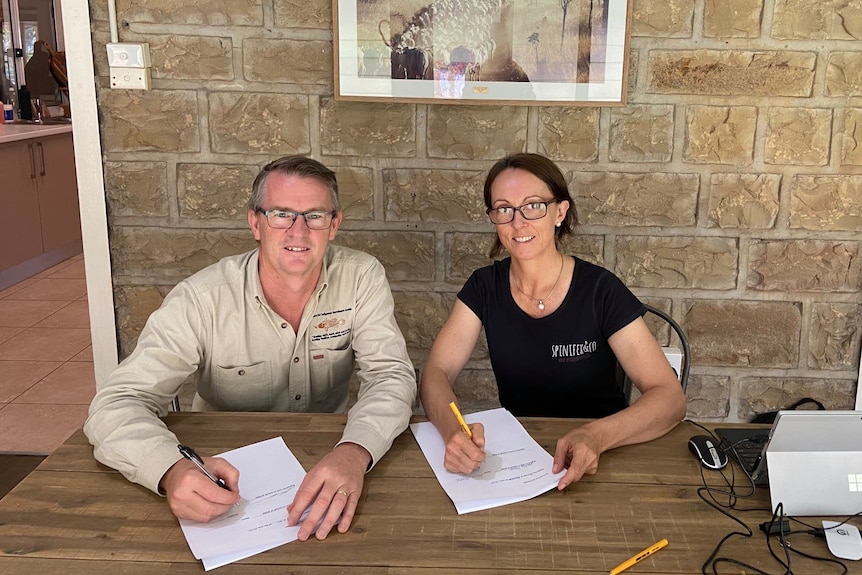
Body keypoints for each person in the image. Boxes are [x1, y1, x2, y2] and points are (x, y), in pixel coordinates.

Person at [85, 155, 417, 541]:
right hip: (222, 477)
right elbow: (116, 403)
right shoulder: (202, 299)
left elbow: (391, 375)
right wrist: (170, 469)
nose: (298, 231)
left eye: (315, 215)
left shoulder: (362, 277)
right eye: (281, 214)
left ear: (334, 224)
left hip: (332, 458)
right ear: (255, 223)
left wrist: (356, 451)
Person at [419, 153, 686, 490]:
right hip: (521, 460)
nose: (518, 223)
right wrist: (453, 431)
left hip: (606, 456)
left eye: (533, 206)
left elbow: (670, 398)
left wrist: (595, 435)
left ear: (560, 211)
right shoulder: (483, 287)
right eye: (504, 209)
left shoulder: (600, 290)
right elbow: (435, 373)